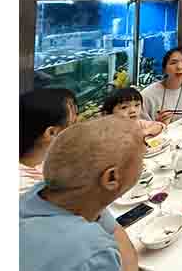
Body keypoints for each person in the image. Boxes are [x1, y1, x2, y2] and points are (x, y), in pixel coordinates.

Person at [20, 116, 141, 271]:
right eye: (142, 158)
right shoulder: (91, 252)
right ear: (111, 177)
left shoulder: (43, 194)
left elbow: (113, 230)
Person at [19, 89, 78, 195]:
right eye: (73, 124)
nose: (79, 128)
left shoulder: (41, 162)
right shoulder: (28, 191)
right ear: (51, 133)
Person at [141, 47, 182, 123]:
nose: (179, 67)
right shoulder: (147, 95)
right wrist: (158, 123)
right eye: (173, 63)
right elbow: (138, 126)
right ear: (165, 68)